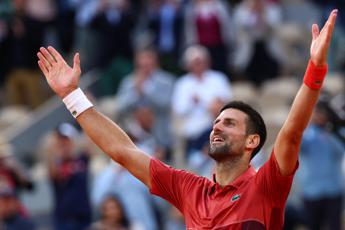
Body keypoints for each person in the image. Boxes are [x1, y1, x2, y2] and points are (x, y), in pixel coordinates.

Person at [36, 9, 338, 229]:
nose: (217, 125)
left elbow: (293, 131)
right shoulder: (189, 189)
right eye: (217, 121)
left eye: (229, 123)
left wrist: (315, 67)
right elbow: (122, 151)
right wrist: (72, 96)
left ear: (253, 141)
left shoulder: (267, 184)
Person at [298, 101, 345, 230]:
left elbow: (341, 151)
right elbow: (297, 145)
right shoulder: (307, 133)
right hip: (312, 191)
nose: (318, 116)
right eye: (315, 113)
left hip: (333, 189)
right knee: (313, 226)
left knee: (335, 226)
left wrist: (330, 133)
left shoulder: (338, 132)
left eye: (320, 112)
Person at [47, 122, 92, 230]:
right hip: (64, 220)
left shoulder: (82, 159)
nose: (64, 144)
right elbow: (54, 175)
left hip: (84, 218)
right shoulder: (55, 163)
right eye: (60, 141)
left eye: (66, 140)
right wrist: (58, 153)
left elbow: (90, 142)